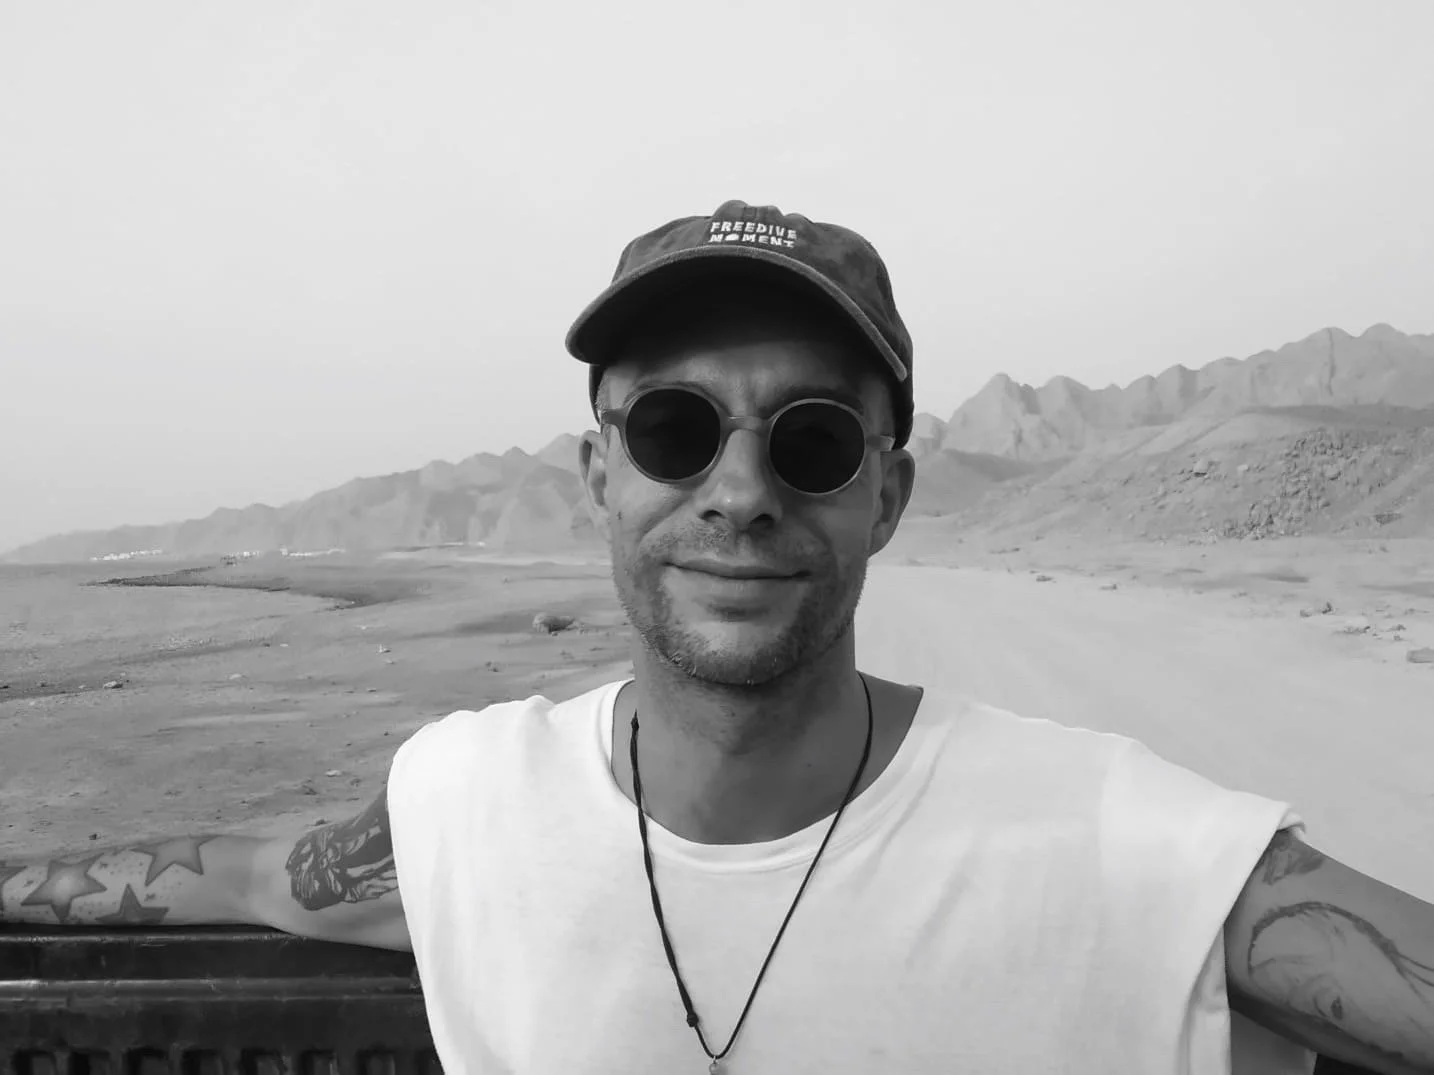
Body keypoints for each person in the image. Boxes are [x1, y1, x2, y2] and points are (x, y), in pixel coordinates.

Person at [1, 200, 1431, 1075]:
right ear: (597, 476)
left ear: (887, 495)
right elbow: (247, 873)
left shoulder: (1120, 839)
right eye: (675, 429)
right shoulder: (465, 798)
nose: (739, 493)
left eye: (810, 441)